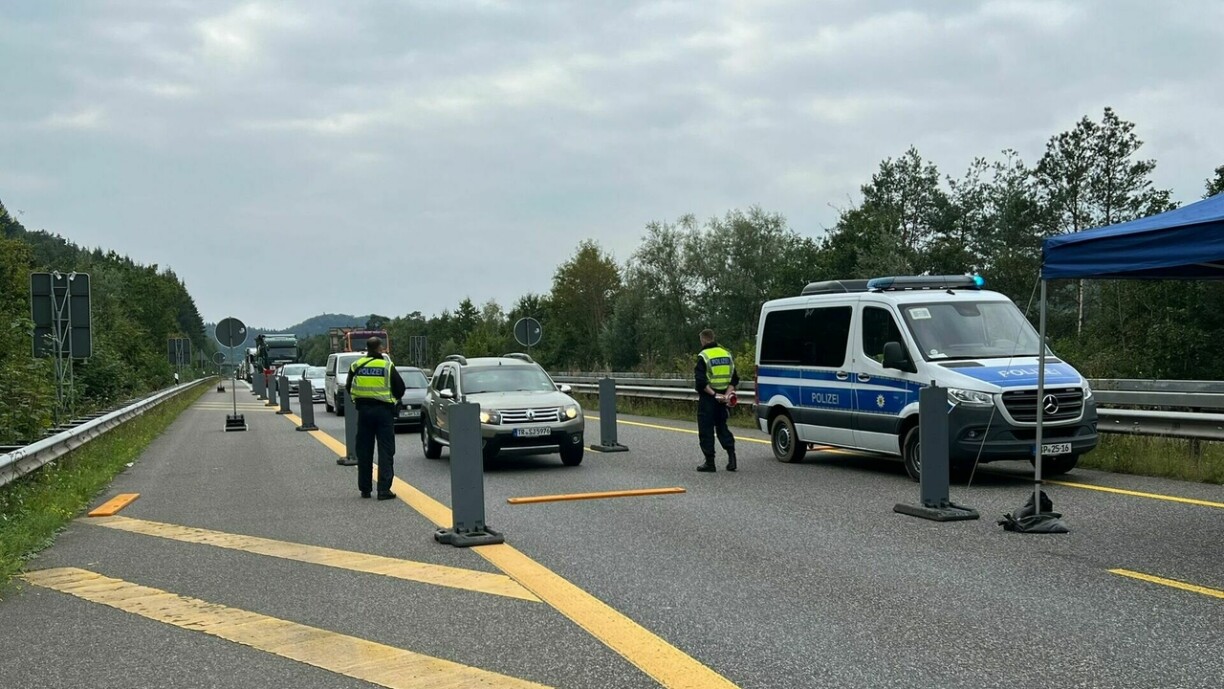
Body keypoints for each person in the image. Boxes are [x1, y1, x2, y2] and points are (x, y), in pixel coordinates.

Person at [343, 336, 406, 500]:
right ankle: (384, 490)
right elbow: (400, 389)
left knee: (364, 450)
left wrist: (360, 400)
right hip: (384, 413)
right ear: (380, 348)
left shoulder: (356, 365)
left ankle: (365, 489)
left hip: (364, 412)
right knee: (385, 450)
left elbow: (349, 387)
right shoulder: (387, 365)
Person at [694, 328, 739, 472]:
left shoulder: (704, 356)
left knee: (706, 430)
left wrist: (714, 395)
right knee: (722, 427)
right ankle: (732, 458)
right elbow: (734, 379)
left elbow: (701, 382)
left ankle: (710, 463)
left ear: (703, 340)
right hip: (723, 399)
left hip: (709, 399)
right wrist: (726, 395)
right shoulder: (727, 354)